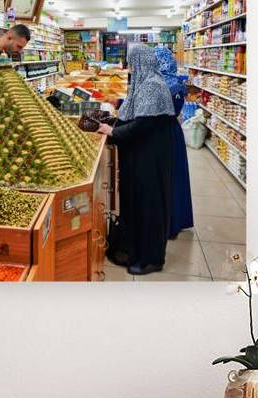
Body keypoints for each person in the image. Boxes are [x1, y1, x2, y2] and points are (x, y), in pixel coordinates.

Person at [98, 45, 176, 276]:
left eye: (132, 64)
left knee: (149, 205)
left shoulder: (153, 86)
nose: (130, 68)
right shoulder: (143, 84)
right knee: (137, 204)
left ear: (142, 62)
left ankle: (151, 258)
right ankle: (135, 249)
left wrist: (113, 132)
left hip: (150, 159)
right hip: (141, 157)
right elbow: (133, 114)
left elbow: (143, 125)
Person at [155, 46, 194, 240]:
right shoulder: (177, 83)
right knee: (175, 177)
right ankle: (176, 219)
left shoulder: (159, 85)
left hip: (161, 133)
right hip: (173, 132)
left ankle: (167, 222)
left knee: (164, 177)